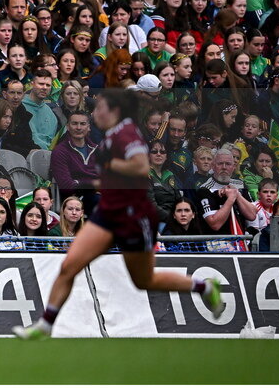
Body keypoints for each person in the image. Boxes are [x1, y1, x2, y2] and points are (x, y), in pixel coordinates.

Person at [13, 89, 225, 339]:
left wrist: (111, 168)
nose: (95, 113)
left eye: (99, 108)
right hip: (108, 213)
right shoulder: (109, 135)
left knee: (144, 280)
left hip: (135, 217)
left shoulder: (126, 133)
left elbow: (140, 165)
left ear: (113, 112)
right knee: (69, 265)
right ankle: (45, 325)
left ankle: (203, 286)